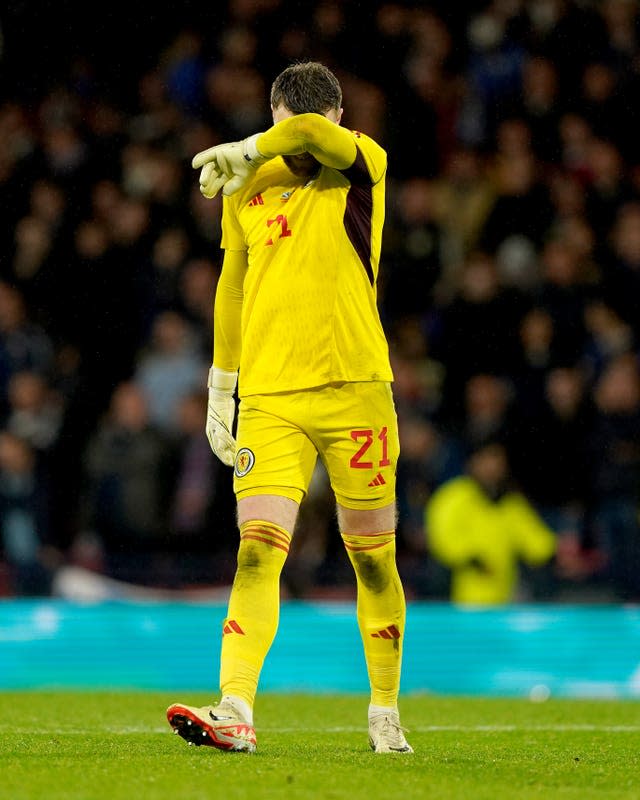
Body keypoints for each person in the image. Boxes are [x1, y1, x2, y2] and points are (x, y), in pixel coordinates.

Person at [166, 62, 412, 754]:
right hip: (271, 398)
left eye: (289, 129)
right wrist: (222, 383)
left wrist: (248, 147)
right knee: (256, 552)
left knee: (372, 560)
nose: (287, 140)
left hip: (356, 388)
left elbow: (304, 130)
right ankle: (235, 707)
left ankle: (385, 708)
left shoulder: (360, 163)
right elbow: (233, 286)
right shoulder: (246, 188)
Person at [425, 440, 556, 605]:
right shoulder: (454, 496)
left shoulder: (510, 503)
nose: (492, 466)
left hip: (502, 600)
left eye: (497, 459)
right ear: (473, 462)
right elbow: (441, 536)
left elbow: (535, 539)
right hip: (457, 597)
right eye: (486, 459)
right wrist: (470, 558)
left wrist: (554, 553)